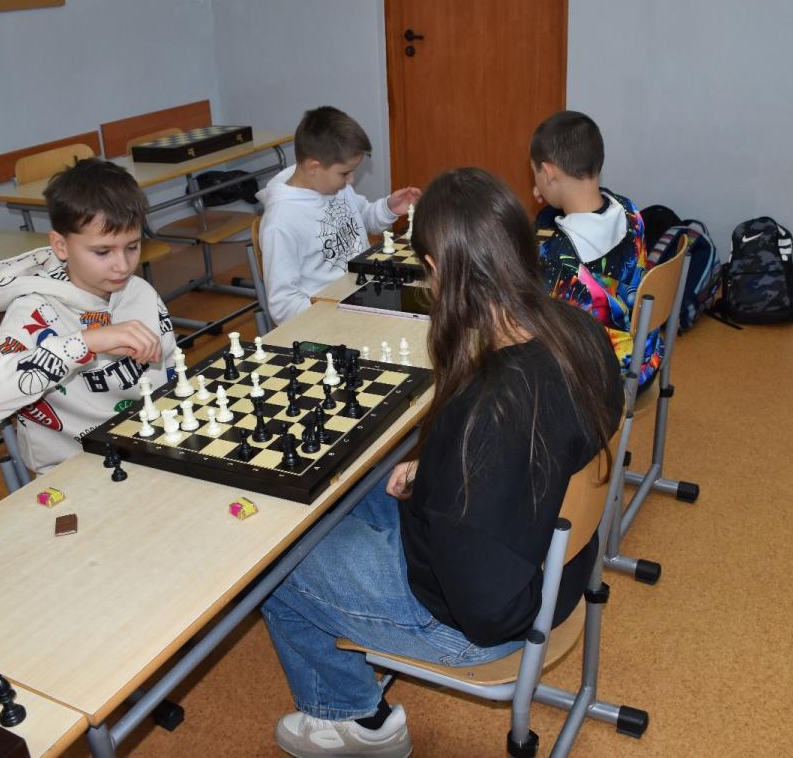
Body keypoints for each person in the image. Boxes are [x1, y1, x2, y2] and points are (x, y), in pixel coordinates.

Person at [260, 167, 624, 758]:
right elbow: (535, 457)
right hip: (562, 572)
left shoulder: (485, 414)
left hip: (478, 622)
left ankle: (358, 721)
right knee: (350, 488)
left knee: (270, 554)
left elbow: (481, 609)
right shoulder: (581, 329)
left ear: (435, 271)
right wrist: (437, 480)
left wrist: (448, 488)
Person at [0, 158, 176, 475]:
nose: (123, 265)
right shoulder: (34, 312)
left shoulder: (139, 291)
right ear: (60, 246)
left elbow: (169, 370)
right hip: (73, 466)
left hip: (148, 444)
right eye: (103, 252)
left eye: (132, 246)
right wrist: (84, 343)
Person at [531, 110, 662, 385]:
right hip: (646, 357)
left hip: (602, 382)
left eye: (536, 175)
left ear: (549, 173)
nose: (535, 186)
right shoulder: (630, 211)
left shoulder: (556, 257)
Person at [257, 106, 419, 324]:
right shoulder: (280, 222)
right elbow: (283, 304)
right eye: (345, 173)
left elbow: (364, 219)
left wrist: (388, 208)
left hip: (366, 295)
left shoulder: (336, 188)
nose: (350, 180)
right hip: (327, 319)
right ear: (314, 167)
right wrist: (333, 315)